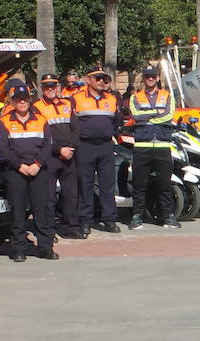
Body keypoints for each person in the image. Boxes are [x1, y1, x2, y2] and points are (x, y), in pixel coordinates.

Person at [0, 82, 57, 261]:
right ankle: (18, 249)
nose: (22, 103)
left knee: (42, 209)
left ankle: (45, 247)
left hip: (39, 170)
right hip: (16, 172)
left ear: (29, 101)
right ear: (13, 102)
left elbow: (47, 145)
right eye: (18, 100)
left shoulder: (41, 120)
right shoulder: (5, 121)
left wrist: (37, 164)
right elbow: (3, 149)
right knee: (18, 211)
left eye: (25, 100)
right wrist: (20, 166)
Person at [71, 67, 123, 234]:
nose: (101, 81)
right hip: (85, 146)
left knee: (108, 184)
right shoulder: (76, 98)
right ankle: (85, 221)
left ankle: (110, 220)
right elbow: (71, 123)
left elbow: (116, 122)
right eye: (98, 78)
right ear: (88, 80)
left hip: (105, 146)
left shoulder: (111, 99)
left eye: (104, 78)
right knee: (85, 184)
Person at [127, 64, 179, 229]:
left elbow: (169, 115)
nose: (150, 79)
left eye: (153, 76)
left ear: (157, 78)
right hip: (142, 145)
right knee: (139, 184)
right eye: (147, 76)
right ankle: (137, 216)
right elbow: (135, 115)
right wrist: (156, 112)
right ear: (143, 79)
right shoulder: (135, 96)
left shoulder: (167, 95)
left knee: (165, 184)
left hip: (163, 145)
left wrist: (148, 118)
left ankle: (168, 217)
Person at [34, 73, 81, 239]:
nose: (50, 89)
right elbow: (42, 135)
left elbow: (76, 128)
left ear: (58, 87)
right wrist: (59, 149)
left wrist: (71, 148)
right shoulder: (37, 107)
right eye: (46, 86)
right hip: (50, 157)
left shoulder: (67, 103)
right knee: (49, 196)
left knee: (71, 194)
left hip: (70, 155)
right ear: (42, 89)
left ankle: (72, 227)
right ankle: (49, 229)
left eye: (53, 86)